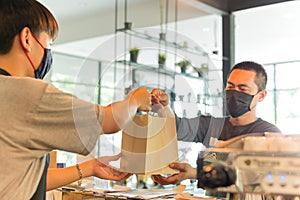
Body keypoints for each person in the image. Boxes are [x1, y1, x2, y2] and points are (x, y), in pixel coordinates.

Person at [0, 0, 152, 199]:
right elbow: (110, 120)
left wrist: (90, 167)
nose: (48, 52)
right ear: (27, 38)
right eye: (49, 43)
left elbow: (20, 179)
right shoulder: (27, 93)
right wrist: (136, 98)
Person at [151, 61, 281, 185]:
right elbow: (175, 128)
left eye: (243, 89)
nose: (234, 93)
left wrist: (196, 173)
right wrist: (163, 108)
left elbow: (260, 177)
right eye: (230, 86)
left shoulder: (269, 135)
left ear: (261, 96)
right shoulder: (210, 126)